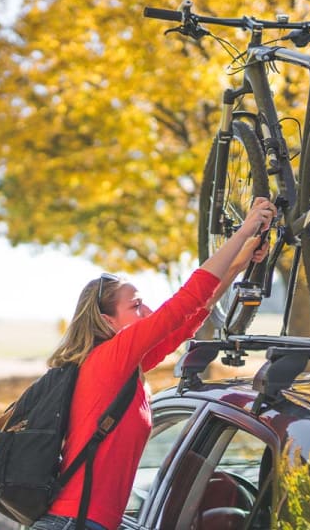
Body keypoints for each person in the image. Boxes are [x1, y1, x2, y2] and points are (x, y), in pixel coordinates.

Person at [30, 197, 277, 530]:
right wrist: (244, 229)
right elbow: (184, 300)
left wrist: (239, 262)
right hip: (74, 522)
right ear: (108, 321)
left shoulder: (124, 367)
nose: (147, 312)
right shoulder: (111, 358)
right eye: (136, 306)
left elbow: (189, 316)